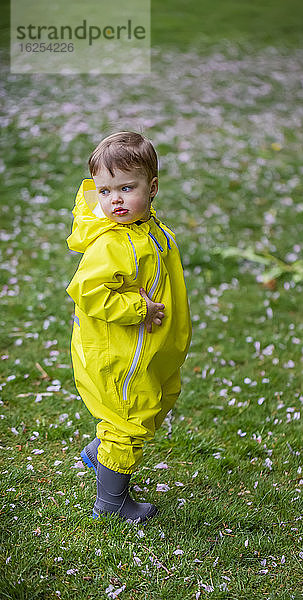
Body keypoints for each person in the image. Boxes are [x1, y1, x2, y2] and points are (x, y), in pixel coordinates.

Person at [66, 131, 192, 524]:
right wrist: (136, 307)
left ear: (152, 188)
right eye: (105, 191)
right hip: (121, 351)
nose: (115, 199)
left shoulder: (148, 227)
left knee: (160, 397)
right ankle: (112, 503)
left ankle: (99, 455)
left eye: (126, 187)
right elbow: (87, 290)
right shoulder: (112, 244)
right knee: (129, 416)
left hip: (151, 346)